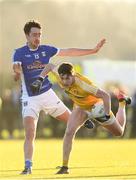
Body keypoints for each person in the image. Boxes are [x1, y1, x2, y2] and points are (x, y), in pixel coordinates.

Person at [12, 20, 106, 175]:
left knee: (72, 122)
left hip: (48, 94)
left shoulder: (46, 49)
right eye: (34, 35)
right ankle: (28, 166)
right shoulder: (19, 52)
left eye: (39, 35)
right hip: (30, 98)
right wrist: (16, 72)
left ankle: (86, 118)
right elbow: (15, 67)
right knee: (30, 133)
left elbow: (69, 51)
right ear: (27, 35)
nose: (37, 38)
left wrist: (92, 51)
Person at [30, 62, 131, 174]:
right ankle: (65, 167)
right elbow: (49, 66)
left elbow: (106, 96)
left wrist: (106, 114)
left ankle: (122, 103)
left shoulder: (84, 84)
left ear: (73, 75)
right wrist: (40, 79)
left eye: (67, 78)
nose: (64, 82)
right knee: (69, 132)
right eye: (62, 78)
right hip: (80, 107)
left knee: (119, 132)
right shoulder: (60, 75)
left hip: (96, 107)